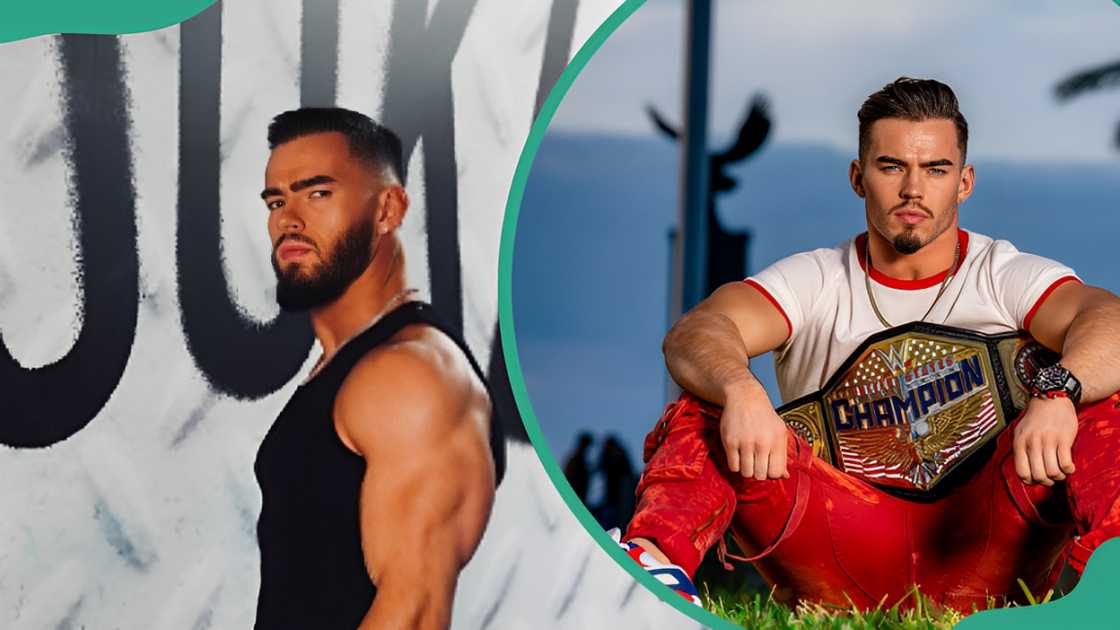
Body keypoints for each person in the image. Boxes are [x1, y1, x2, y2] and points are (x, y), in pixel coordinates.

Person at [620, 78, 1120, 612]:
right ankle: (648, 581)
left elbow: (1106, 318)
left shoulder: (1003, 273)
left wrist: (1060, 391)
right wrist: (739, 386)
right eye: (891, 167)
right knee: (704, 408)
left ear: (965, 182)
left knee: (1101, 400)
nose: (913, 189)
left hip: (985, 546)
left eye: (935, 169)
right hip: (836, 551)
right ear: (859, 178)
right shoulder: (815, 279)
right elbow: (699, 330)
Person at [252, 107, 505, 629]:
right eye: (277, 200)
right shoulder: (350, 367)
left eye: (317, 193)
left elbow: (413, 613)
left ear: (388, 209)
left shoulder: (409, 375)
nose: (288, 219)